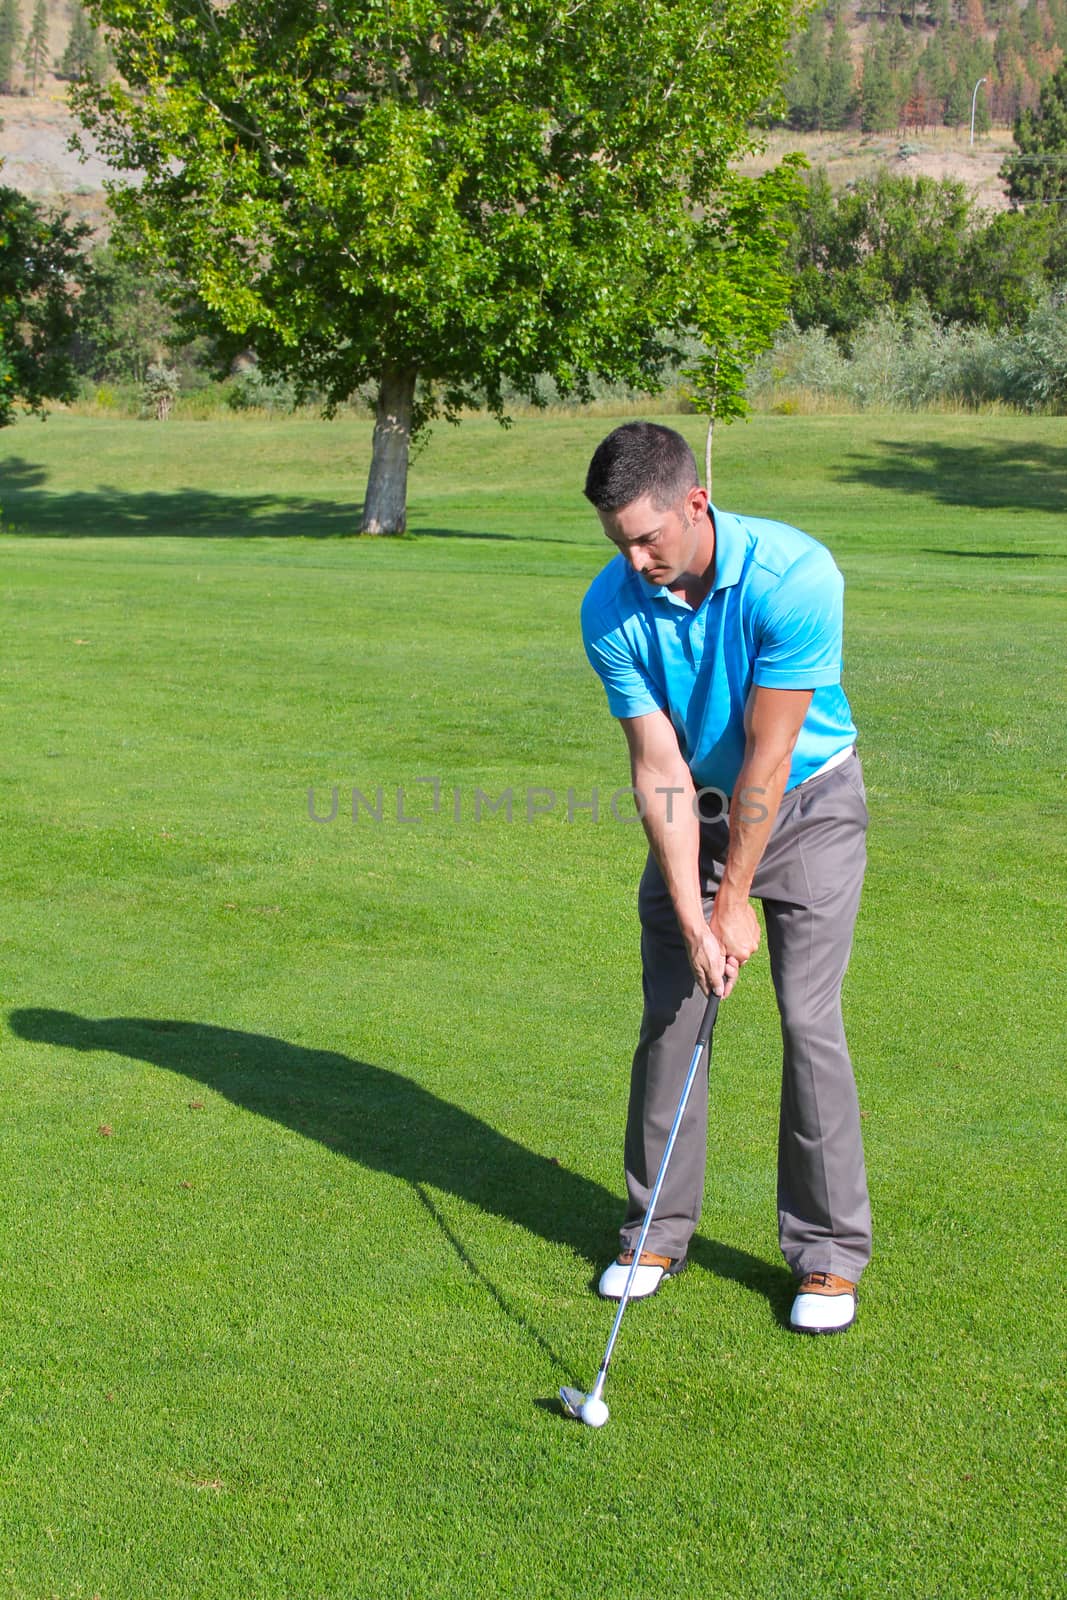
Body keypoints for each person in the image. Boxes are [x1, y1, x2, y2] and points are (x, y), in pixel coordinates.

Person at [580, 421, 870, 1334]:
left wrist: (734, 900)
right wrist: (693, 912)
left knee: (805, 1019)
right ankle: (655, 1231)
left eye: (647, 537)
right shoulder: (610, 606)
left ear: (694, 504)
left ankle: (826, 1258)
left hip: (809, 802)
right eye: (617, 541)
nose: (633, 559)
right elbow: (657, 771)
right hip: (697, 809)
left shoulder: (796, 577)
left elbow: (771, 756)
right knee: (673, 1013)